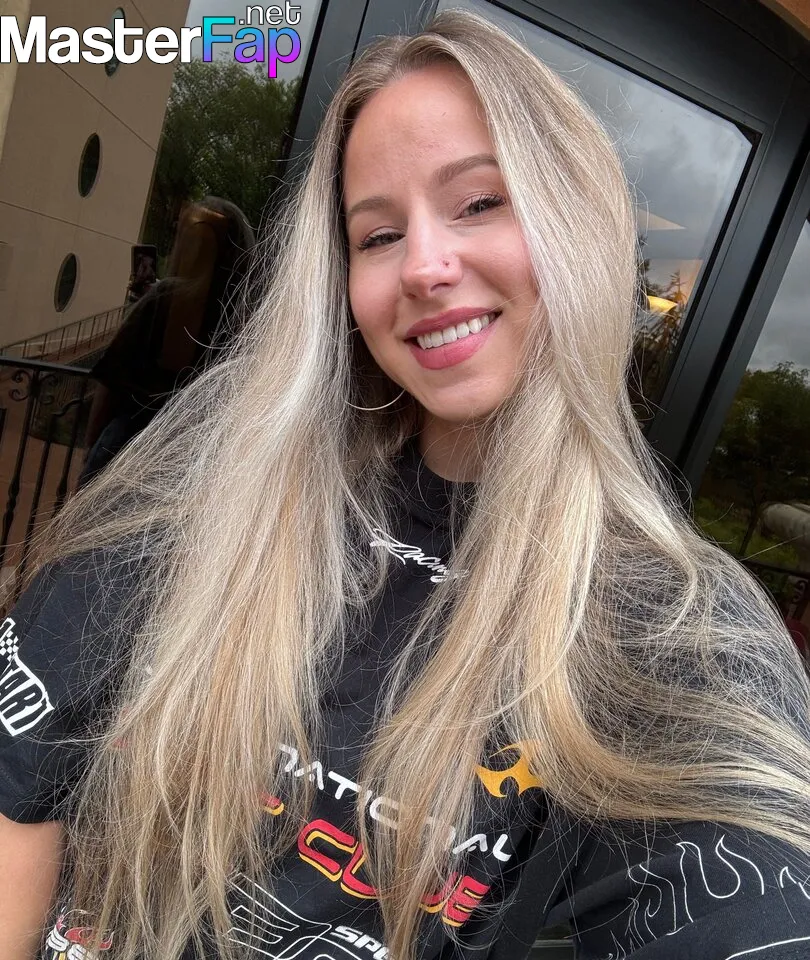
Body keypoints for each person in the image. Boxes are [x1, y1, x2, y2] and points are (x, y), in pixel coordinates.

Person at [2, 9, 810, 960]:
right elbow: (18, 788)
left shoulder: (677, 629)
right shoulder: (207, 489)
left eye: (480, 202)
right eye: (379, 235)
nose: (424, 266)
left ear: (580, 227)